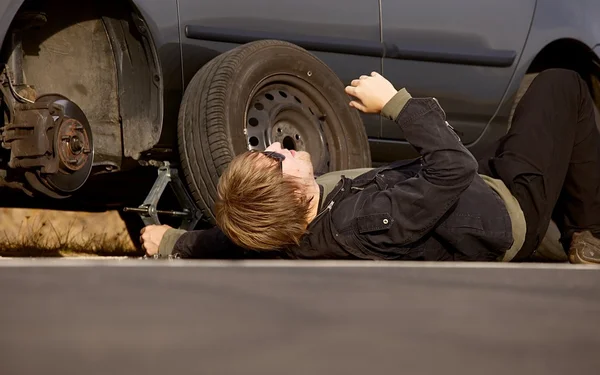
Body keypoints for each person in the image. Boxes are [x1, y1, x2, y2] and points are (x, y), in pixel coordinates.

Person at [140, 69, 600, 264]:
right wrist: (395, 104)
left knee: (536, 124)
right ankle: (588, 232)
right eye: (277, 158)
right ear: (294, 195)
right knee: (560, 86)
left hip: (464, 196)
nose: (280, 143)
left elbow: (234, 241)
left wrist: (174, 241)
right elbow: (453, 170)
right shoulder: (361, 222)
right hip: (506, 211)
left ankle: (575, 225)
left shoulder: (282, 232)